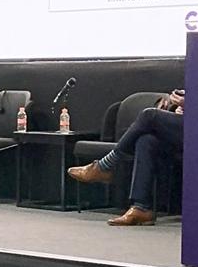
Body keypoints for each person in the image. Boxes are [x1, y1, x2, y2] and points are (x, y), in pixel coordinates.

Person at [70, 92, 187, 228]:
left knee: (149, 115)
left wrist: (190, 106)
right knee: (146, 140)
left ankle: (105, 166)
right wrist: (175, 105)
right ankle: (141, 208)